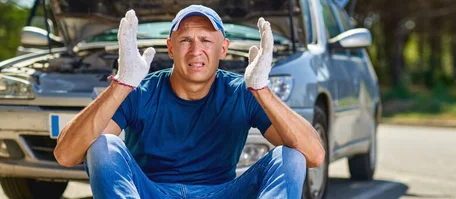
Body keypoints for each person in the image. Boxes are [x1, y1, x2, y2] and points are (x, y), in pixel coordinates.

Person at [53, 4, 325, 199]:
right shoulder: (141, 91)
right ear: (170, 47)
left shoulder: (241, 91)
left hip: (221, 193)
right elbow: (66, 155)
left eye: (206, 40)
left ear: (224, 48)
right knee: (104, 143)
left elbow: (314, 155)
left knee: (290, 154)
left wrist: (263, 90)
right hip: (151, 191)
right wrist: (121, 85)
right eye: (185, 40)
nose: (196, 51)